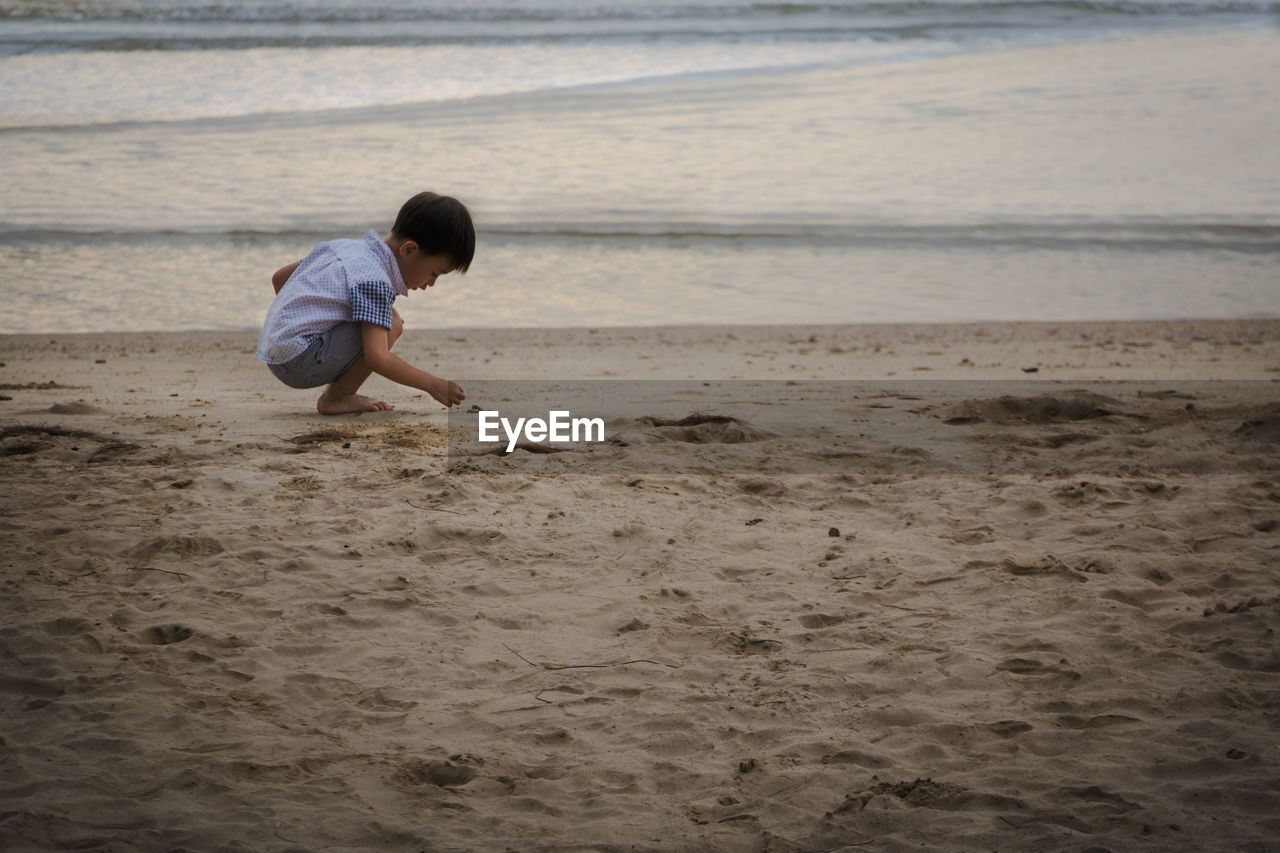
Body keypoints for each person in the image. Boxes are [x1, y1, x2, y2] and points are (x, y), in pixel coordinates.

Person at [257, 192, 472, 415]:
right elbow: (377, 358)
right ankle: (338, 397)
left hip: (273, 350)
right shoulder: (375, 280)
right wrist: (433, 385)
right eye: (434, 273)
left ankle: (329, 382)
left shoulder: (345, 248)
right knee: (391, 321)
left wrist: (300, 323)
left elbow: (280, 278)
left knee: (372, 318)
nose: (431, 284)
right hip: (299, 363)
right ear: (409, 250)